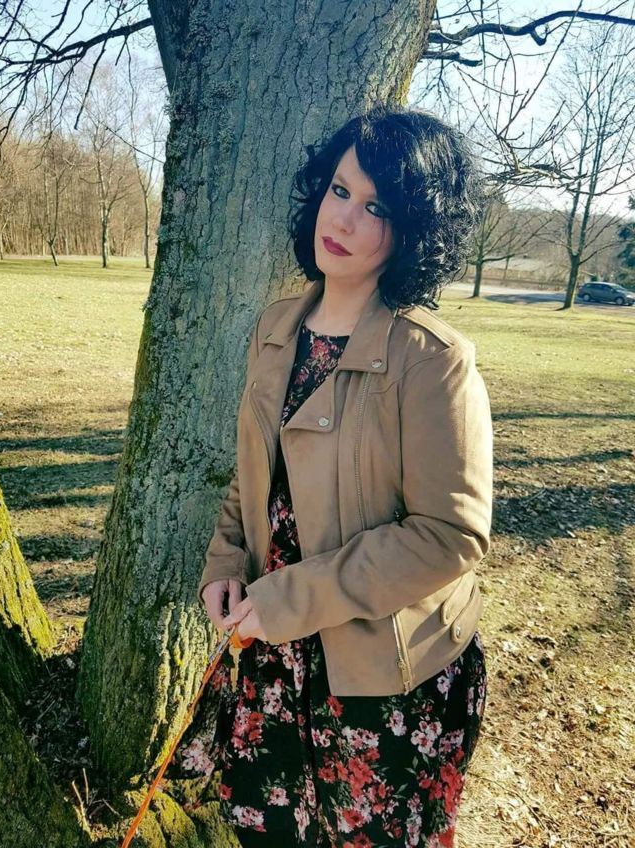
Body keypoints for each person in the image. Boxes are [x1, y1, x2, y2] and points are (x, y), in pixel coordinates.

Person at [173, 104, 493, 848]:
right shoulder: (275, 327)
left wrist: (290, 599)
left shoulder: (433, 359)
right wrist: (225, 563)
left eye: (375, 207)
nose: (342, 217)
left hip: (382, 684)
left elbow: (449, 536)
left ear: (412, 231)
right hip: (271, 666)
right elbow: (254, 475)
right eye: (340, 190)